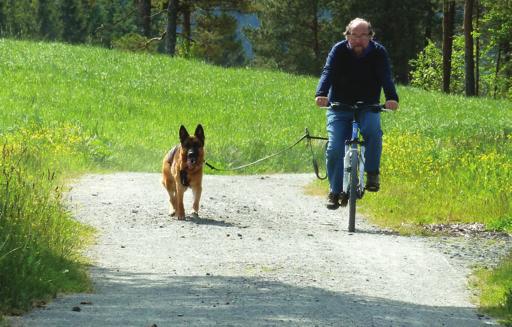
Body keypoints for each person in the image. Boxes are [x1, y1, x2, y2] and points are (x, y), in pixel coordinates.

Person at [315, 17, 399, 210]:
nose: (358, 39)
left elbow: (386, 76)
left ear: (371, 36)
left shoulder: (378, 53)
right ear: (347, 35)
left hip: (368, 105)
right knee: (335, 147)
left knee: (373, 132)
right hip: (339, 106)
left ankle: (372, 174)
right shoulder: (338, 50)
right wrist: (321, 94)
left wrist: (392, 98)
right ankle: (334, 191)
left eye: (363, 35)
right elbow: (327, 72)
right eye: (354, 35)